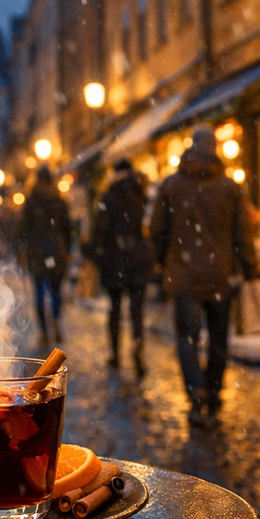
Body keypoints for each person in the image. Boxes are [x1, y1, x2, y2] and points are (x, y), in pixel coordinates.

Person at [152, 126, 256, 427]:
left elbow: (157, 229)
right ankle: (212, 392)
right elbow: (242, 234)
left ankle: (196, 391)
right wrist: (248, 268)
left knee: (187, 339)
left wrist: (163, 262)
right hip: (220, 274)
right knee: (218, 340)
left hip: (183, 275)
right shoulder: (229, 188)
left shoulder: (171, 185)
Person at [90, 159, 155, 375]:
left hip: (116, 259)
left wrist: (97, 253)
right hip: (138, 257)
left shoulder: (108, 197)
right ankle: (138, 346)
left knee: (115, 309)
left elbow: (100, 228)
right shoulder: (142, 194)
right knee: (137, 311)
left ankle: (116, 354)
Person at [17, 166, 73, 347]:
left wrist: (20, 248)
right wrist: (68, 250)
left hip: (38, 252)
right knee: (55, 291)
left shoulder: (32, 201)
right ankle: (55, 321)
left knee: (40, 292)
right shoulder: (58, 200)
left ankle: (43, 330)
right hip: (57, 251)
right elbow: (67, 229)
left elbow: (23, 228)